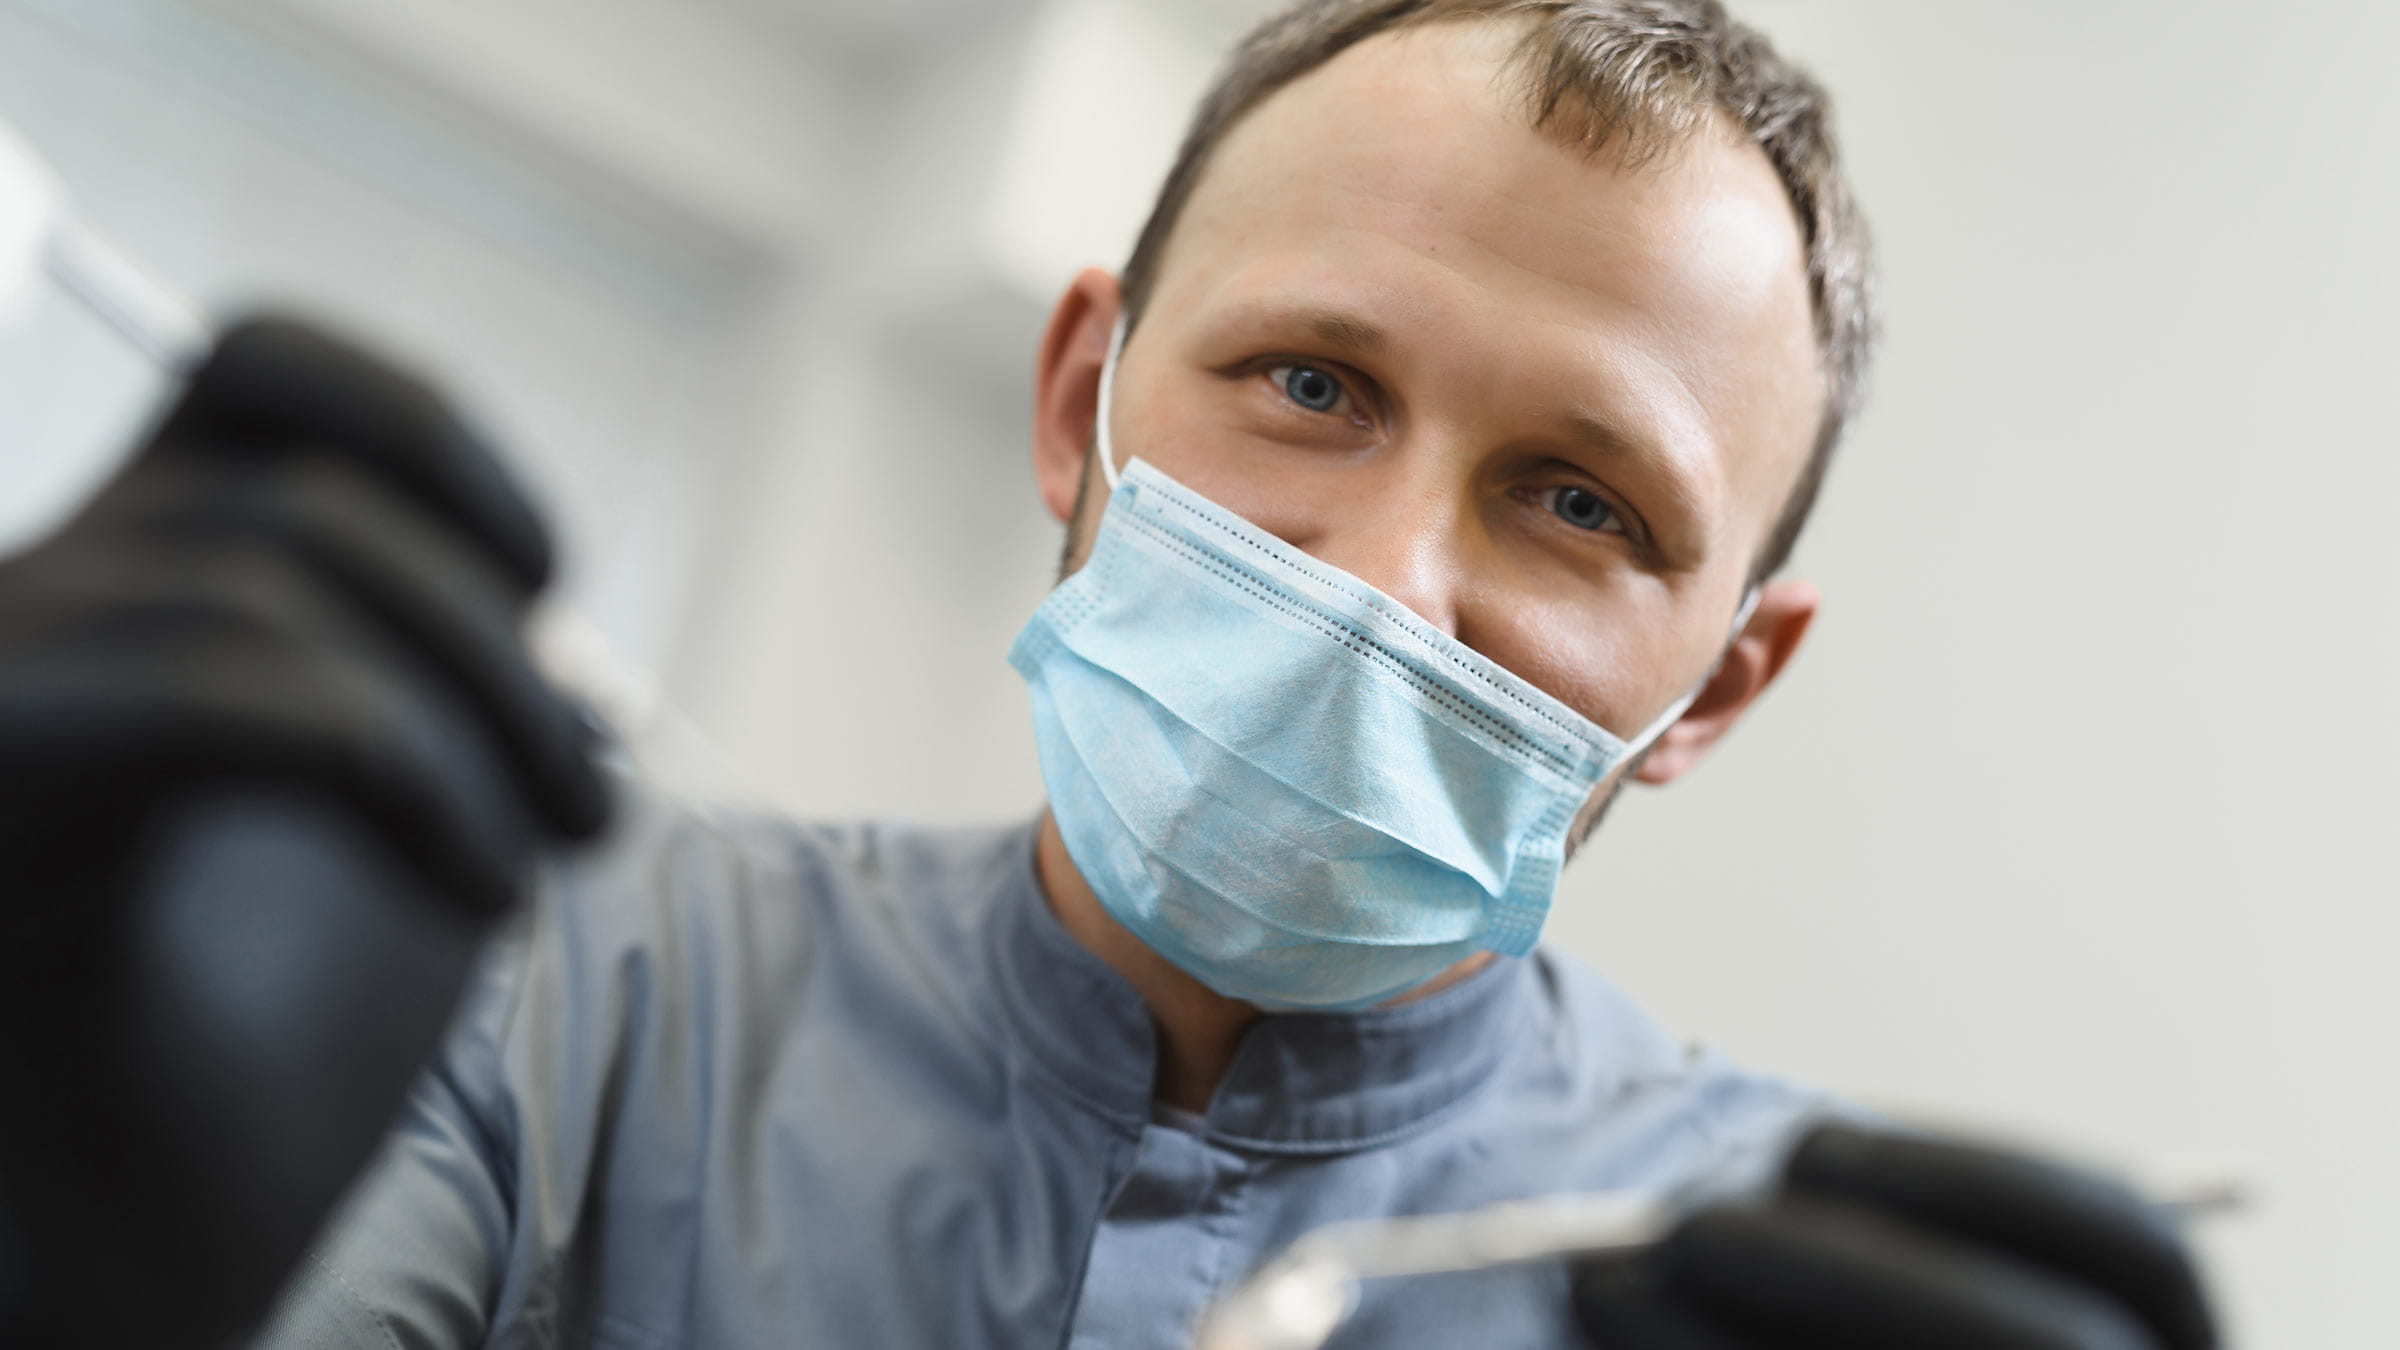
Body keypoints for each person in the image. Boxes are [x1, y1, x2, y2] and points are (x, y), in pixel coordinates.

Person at [0, 1, 2220, 1347]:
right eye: (1315, 384)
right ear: (1080, 400)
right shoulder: (571, 992)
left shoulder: (1773, 1296)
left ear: (1719, 690)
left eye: (1577, 501)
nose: (1385, 579)